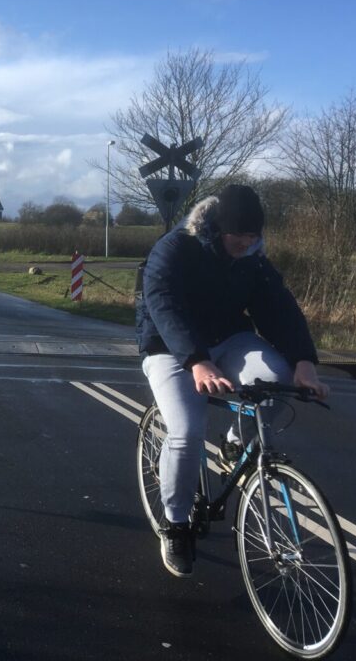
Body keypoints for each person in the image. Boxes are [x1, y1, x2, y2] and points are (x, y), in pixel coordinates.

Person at [136, 183, 329, 578]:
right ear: (217, 229)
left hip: (229, 339)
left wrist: (304, 362)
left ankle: (236, 444)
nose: (247, 245)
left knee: (278, 381)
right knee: (186, 432)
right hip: (170, 348)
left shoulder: (253, 259)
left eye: (253, 238)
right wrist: (197, 362)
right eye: (239, 238)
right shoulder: (175, 248)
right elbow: (163, 304)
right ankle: (175, 525)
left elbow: (279, 308)